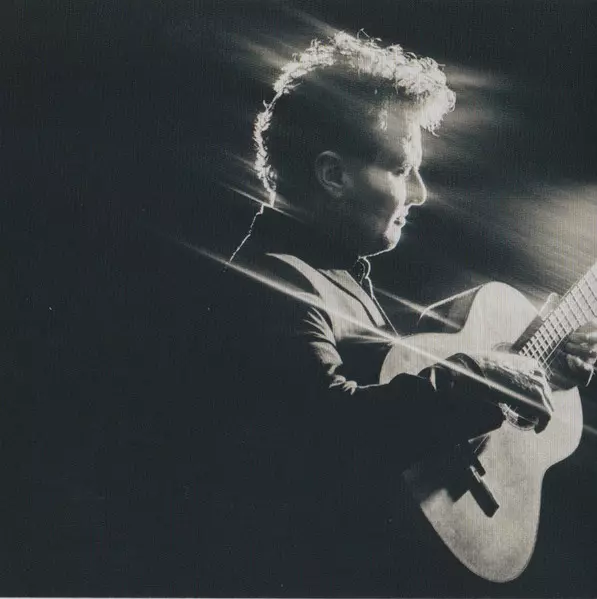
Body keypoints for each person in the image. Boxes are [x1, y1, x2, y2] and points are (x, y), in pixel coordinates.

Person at [207, 32, 597, 596]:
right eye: (400, 168)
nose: (419, 193)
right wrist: (477, 379)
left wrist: (544, 373)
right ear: (333, 175)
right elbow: (325, 432)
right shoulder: (273, 284)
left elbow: (407, 417)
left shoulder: (340, 282)